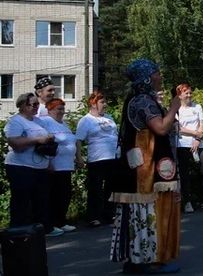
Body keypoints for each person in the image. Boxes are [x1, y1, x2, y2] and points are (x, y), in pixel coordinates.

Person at [109, 59, 182, 274]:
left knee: (141, 212)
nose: (160, 77)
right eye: (157, 73)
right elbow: (160, 128)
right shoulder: (142, 101)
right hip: (145, 170)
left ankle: (139, 258)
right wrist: (175, 106)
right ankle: (147, 259)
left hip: (142, 165)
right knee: (147, 211)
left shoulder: (139, 99)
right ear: (148, 78)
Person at [4, 93, 56, 233]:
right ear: (22, 105)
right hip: (21, 167)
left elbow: (45, 139)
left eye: (37, 104)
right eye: (33, 104)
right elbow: (14, 142)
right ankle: (18, 231)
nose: (36, 107)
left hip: (40, 166)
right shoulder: (16, 121)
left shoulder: (38, 121)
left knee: (41, 200)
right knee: (21, 201)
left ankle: (40, 229)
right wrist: (37, 140)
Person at [75, 90, 121, 227]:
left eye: (105, 101)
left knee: (111, 187)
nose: (105, 104)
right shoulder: (86, 120)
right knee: (96, 188)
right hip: (97, 158)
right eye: (102, 102)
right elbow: (78, 140)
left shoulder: (109, 117)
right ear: (93, 104)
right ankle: (93, 216)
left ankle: (109, 214)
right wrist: (79, 157)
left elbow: (115, 135)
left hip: (113, 156)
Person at [38, 98, 79, 233]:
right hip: (54, 166)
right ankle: (51, 223)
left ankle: (61, 221)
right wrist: (48, 161)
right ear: (49, 110)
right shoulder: (45, 122)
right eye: (58, 109)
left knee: (65, 194)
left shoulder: (63, 124)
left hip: (66, 165)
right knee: (53, 195)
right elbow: (44, 144)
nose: (61, 112)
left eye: (63, 109)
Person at [174, 84, 203, 210]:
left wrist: (198, 138)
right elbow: (178, 129)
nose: (189, 95)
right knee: (185, 174)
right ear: (179, 95)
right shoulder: (176, 110)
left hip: (198, 144)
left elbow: (201, 123)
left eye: (190, 93)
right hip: (182, 144)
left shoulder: (197, 107)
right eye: (186, 93)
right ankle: (187, 202)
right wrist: (195, 133)